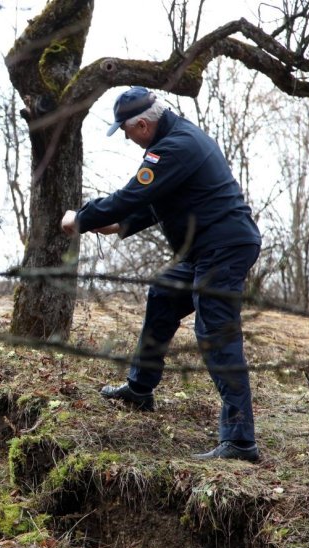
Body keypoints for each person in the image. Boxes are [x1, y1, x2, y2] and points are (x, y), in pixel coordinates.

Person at [60, 86, 262, 463]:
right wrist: (121, 225)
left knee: (215, 331)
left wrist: (83, 217)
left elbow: (134, 193)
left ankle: (240, 441)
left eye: (125, 129)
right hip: (207, 247)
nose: (124, 136)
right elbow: (159, 202)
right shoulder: (176, 138)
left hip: (224, 247)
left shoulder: (174, 147)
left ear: (141, 125)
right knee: (164, 295)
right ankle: (140, 388)